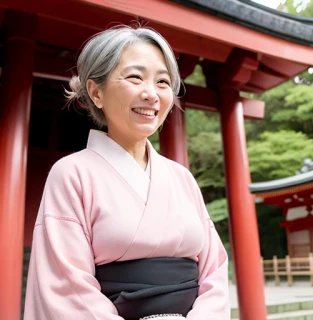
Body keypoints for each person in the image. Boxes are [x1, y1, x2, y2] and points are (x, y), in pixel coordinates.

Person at [24, 25, 230, 320]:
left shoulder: (181, 177)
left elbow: (215, 271)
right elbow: (67, 287)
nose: (152, 94)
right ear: (96, 92)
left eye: (162, 82)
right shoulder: (71, 174)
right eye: (135, 77)